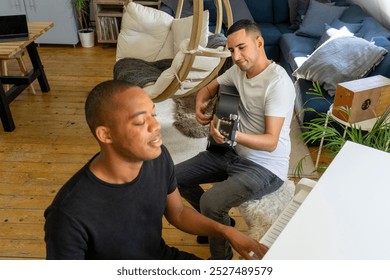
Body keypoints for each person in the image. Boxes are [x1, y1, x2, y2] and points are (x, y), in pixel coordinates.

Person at [44, 79, 267, 260]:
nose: (155, 126)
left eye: (154, 114)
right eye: (141, 122)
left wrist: (225, 231)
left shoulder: (158, 158)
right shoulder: (68, 215)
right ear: (105, 134)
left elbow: (178, 213)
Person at [175, 19, 296, 260]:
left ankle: (221, 260)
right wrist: (200, 101)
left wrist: (231, 134)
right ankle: (219, 223)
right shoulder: (238, 70)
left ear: (259, 42)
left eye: (242, 47)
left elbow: (271, 141)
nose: (237, 56)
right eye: (231, 50)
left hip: (265, 166)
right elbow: (210, 88)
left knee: (211, 202)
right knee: (172, 177)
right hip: (230, 154)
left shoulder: (277, 83)